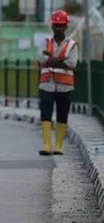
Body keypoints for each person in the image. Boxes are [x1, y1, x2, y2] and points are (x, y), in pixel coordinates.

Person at [38, 10, 78, 156]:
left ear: (65, 27)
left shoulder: (72, 45)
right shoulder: (45, 42)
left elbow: (72, 64)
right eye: (55, 25)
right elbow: (41, 60)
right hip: (47, 83)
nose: (58, 28)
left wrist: (51, 59)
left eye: (61, 25)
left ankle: (59, 146)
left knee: (62, 114)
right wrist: (61, 59)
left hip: (64, 86)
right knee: (45, 113)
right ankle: (46, 145)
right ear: (52, 26)